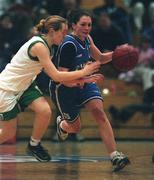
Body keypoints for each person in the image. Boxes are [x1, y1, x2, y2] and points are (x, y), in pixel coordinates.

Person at [0, 15, 100, 162]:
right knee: (8, 133)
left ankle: (34, 145)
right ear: (52, 31)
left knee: (45, 111)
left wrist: (82, 80)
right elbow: (57, 76)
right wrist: (84, 72)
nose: (66, 35)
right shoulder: (39, 46)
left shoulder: (49, 48)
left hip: (26, 85)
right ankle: (34, 144)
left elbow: (55, 76)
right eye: (63, 32)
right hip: (7, 88)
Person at [49, 10, 130, 172]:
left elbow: (100, 57)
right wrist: (83, 79)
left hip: (85, 81)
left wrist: (121, 53)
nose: (87, 28)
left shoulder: (87, 39)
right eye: (83, 25)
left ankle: (115, 155)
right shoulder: (69, 45)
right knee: (76, 128)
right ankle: (63, 125)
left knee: (99, 112)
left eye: (89, 25)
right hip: (64, 88)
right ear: (73, 25)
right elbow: (61, 77)